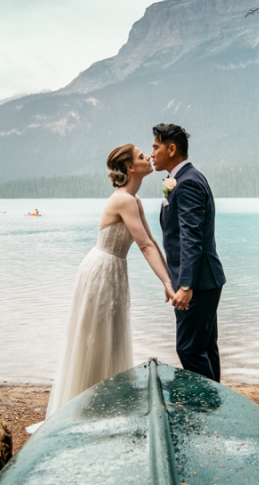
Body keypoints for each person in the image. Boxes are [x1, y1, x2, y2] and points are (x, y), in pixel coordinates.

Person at [42, 143, 176, 419]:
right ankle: (85, 408)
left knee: (112, 335)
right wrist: (166, 283)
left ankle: (107, 405)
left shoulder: (134, 200)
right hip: (101, 271)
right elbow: (144, 247)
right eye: (141, 157)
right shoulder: (123, 200)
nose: (148, 158)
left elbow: (152, 242)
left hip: (115, 269)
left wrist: (171, 279)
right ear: (129, 167)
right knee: (97, 337)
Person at [153, 123, 225, 381]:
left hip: (199, 283)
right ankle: (215, 407)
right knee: (204, 347)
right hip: (204, 280)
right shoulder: (187, 179)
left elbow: (191, 238)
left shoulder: (187, 183)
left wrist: (185, 285)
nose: (151, 153)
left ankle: (206, 406)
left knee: (189, 349)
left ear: (171, 149)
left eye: (155, 146)